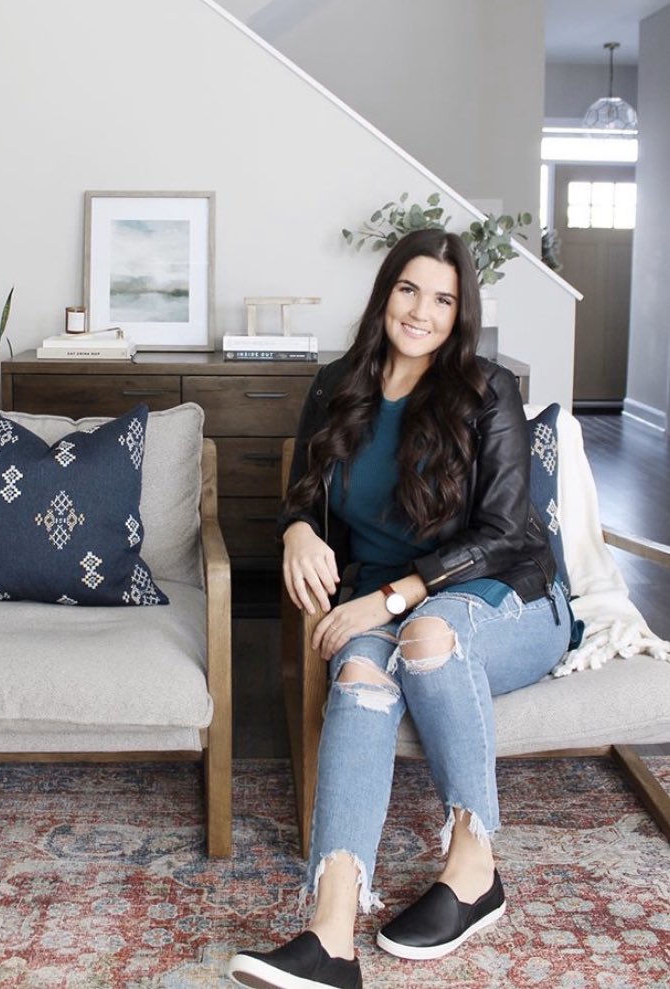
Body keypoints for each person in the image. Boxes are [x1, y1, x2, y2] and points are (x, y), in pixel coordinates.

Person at [227, 228, 572, 989]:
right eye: (409, 289)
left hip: (508, 596)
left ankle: (474, 868)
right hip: (388, 597)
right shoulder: (336, 383)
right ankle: (331, 936)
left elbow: (507, 531)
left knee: (425, 636)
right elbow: (305, 494)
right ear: (386, 291)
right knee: (358, 674)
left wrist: (389, 597)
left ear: (461, 312)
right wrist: (294, 531)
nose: (422, 311)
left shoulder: (488, 389)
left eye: (443, 299)